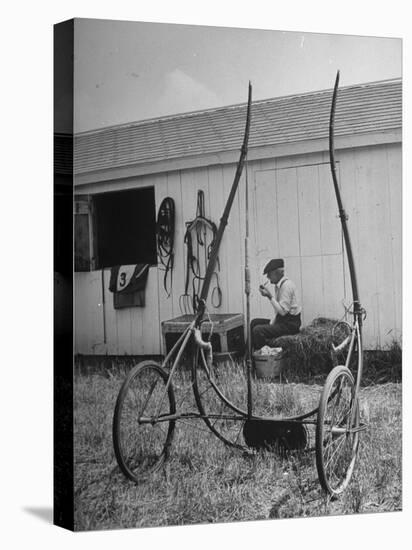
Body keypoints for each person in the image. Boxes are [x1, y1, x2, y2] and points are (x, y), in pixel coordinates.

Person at [251, 258, 301, 350]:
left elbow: (282, 312)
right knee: (254, 322)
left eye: (269, 274)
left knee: (257, 330)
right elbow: (278, 312)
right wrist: (272, 323)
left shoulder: (287, 286)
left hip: (290, 326)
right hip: (282, 322)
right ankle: (254, 357)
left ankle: (266, 356)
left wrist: (269, 297)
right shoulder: (278, 286)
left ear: (277, 273)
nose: (268, 277)